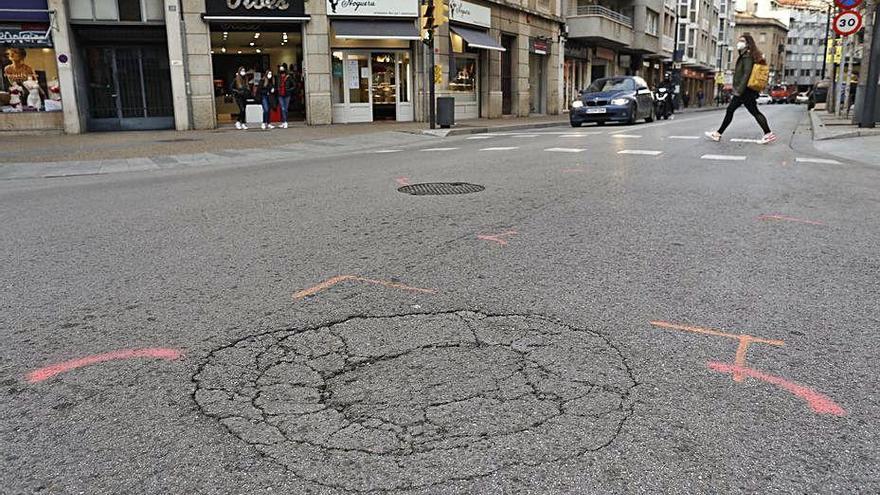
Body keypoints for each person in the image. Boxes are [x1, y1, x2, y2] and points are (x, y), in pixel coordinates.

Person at [705, 34, 775, 144]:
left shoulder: (747, 56)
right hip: (746, 90)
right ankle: (718, 133)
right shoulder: (747, 55)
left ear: (748, 44)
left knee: (741, 111)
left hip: (744, 90)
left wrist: (739, 90)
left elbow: (746, 73)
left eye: (742, 41)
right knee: (746, 111)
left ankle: (768, 134)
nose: (739, 43)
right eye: (739, 40)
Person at [276, 64, 294, 129]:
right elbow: (276, 85)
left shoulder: (289, 77)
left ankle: (284, 121)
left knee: (285, 109)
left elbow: (294, 85)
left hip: (287, 95)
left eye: (282, 69)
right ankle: (284, 122)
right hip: (280, 95)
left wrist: (289, 90)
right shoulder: (278, 77)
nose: (281, 71)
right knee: (283, 108)